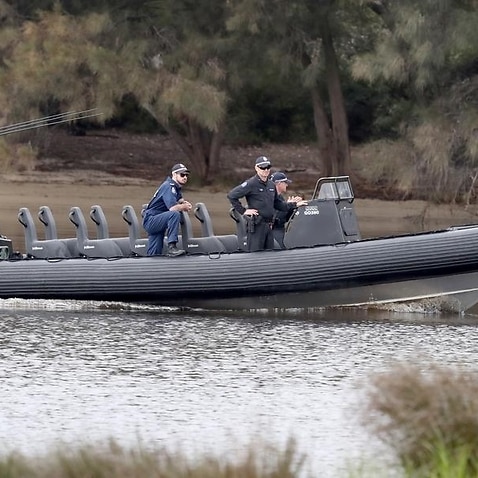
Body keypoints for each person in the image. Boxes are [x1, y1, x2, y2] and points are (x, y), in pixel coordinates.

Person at [227, 156, 303, 252]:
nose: (266, 170)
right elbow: (232, 196)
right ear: (256, 168)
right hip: (257, 226)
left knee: (269, 254)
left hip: (269, 226)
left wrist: (294, 205)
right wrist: (244, 211)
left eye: (268, 167)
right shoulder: (251, 183)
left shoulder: (271, 185)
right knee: (255, 255)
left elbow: (278, 204)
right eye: (262, 167)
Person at [142, 163, 193, 256]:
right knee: (175, 214)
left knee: (154, 252)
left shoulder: (176, 187)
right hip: (152, 219)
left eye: (186, 175)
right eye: (182, 175)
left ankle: (150, 264)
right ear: (174, 174)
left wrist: (185, 203)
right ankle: (172, 247)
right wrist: (183, 207)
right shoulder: (169, 186)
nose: (185, 177)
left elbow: (180, 200)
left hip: (158, 218)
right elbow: (173, 208)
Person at [270, 171, 307, 248]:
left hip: (280, 230)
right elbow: (276, 218)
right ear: (279, 183)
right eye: (285, 182)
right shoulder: (270, 197)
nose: (287, 185)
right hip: (273, 231)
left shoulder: (279, 197)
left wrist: (292, 207)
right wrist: (289, 205)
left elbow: (285, 218)